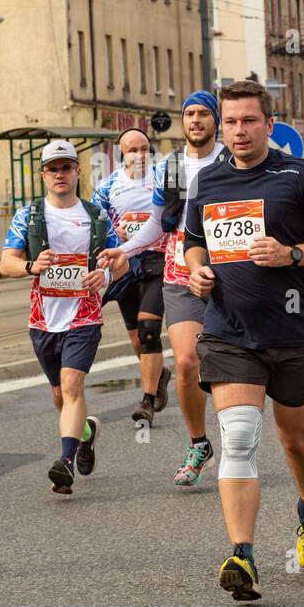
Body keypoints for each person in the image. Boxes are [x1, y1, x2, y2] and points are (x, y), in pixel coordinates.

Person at [182, 80, 304, 602]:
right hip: (229, 330)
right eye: (230, 121)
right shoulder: (208, 181)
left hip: (295, 329)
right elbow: (193, 242)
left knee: (294, 439)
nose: (238, 130)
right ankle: (243, 555)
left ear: (268, 124)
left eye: (248, 121)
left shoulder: (300, 175)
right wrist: (197, 273)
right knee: (238, 437)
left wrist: (294, 254)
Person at [97, 92, 224, 484]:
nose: (196, 120)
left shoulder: (230, 160)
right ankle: (199, 442)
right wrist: (124, 249)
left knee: (234, 364)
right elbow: (157, 222)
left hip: (230, 272)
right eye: (189, 114)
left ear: (216, 119)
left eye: (204, 113)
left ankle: (237, 437)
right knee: (187, 361)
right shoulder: (170, 167)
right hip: (178, 269)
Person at [0, 141, 127, 495]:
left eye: (66, 167)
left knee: (72, 386)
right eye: (53, 168)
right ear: (43, 174)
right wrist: (31, 265)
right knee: (60, 396)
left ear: (77, 171)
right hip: (43, 320)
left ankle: (65, 463)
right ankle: (85, 433)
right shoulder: (28, 215)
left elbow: (122, 261)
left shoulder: (96, 215)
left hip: (84, 315)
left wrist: (104, 277)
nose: (60, 174)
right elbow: (5, 263)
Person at [92, 128, 171, 424]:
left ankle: (148, 401)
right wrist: (116, 231)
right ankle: (159, 373)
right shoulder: (107, 187)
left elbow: (177, 213)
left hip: (157, 262)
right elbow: (96, 226)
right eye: (133, 150)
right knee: (138, 340)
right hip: (124, 265)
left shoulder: (164, 178)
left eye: (145, 149)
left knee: (149, 329)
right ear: (120, 154)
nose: (140, 155)